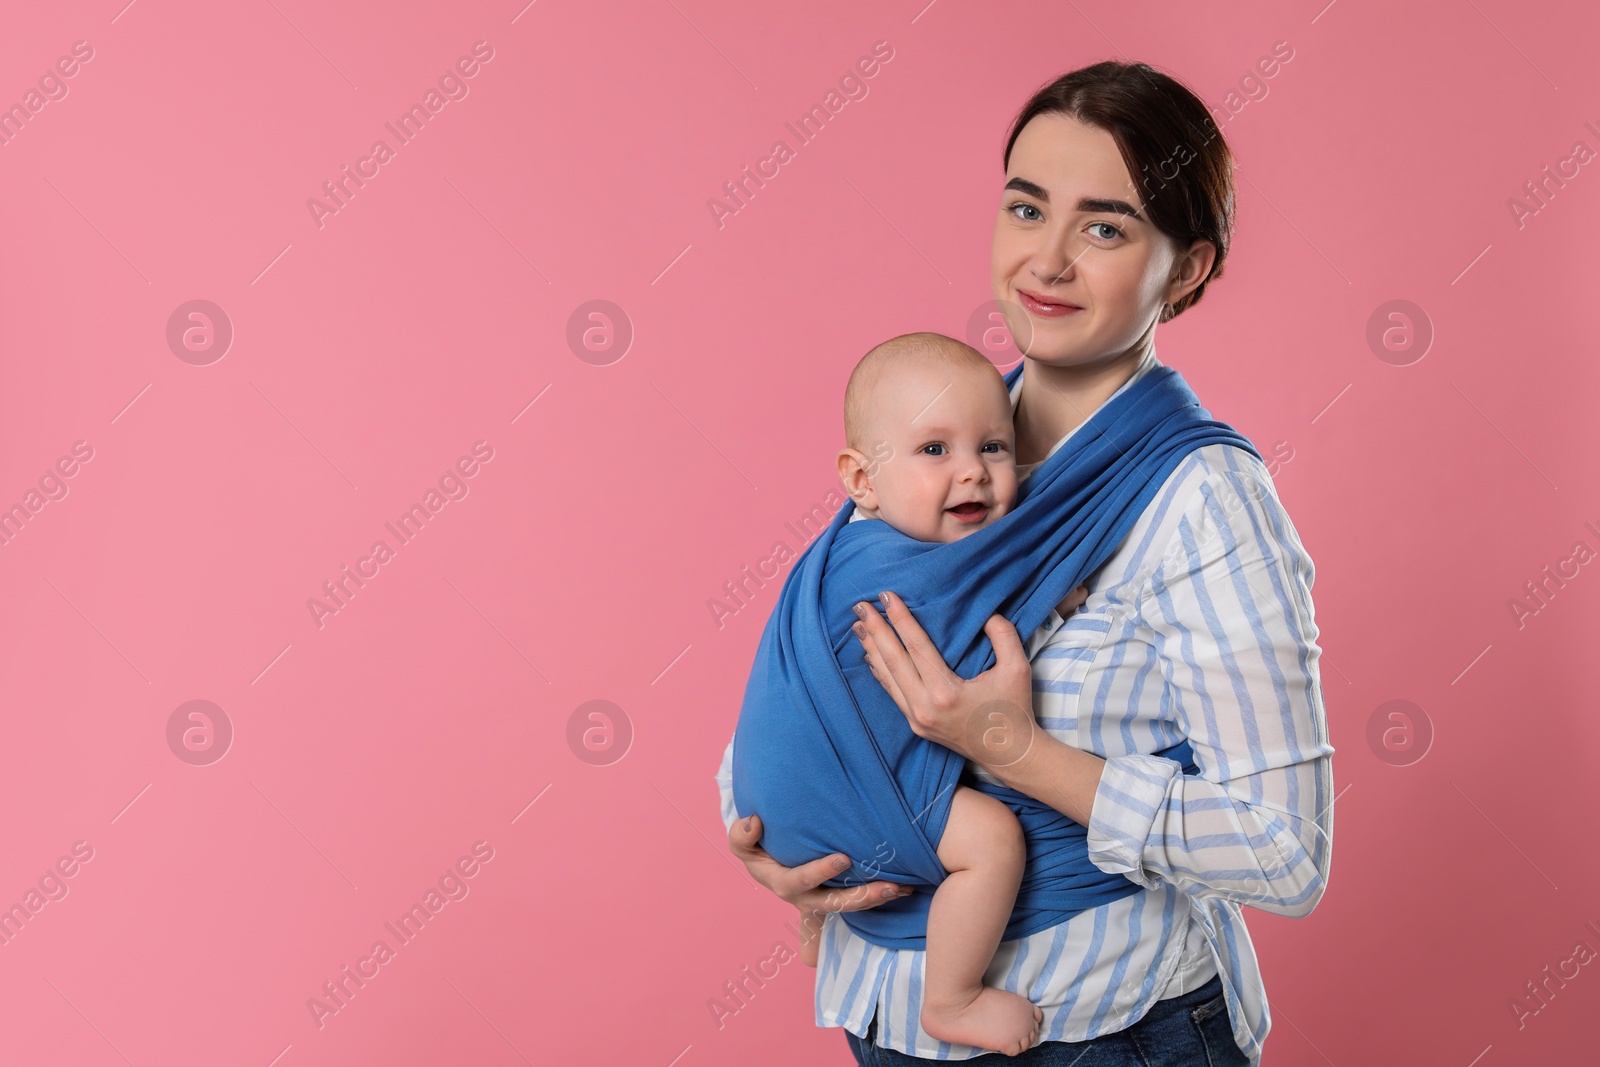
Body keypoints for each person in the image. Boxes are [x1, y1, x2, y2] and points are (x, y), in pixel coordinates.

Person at [715, 59, 1334, 1065]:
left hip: (1107, 1026)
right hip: (887, 1018)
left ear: (1183, 268)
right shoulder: (936, 431)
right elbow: (822, 677)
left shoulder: (1200, 499)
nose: (1045, 262)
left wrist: (1014, 749)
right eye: (1025, 206)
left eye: (1104, 226)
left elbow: (1284, 848)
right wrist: (774, 845)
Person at [737, 331, 1097, 1055]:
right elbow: (991, 619)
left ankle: (820, 923)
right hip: (831, 805)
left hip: (771, 812)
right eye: (935, 450)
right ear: (861, 479)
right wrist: (1055, 599)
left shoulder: (843, 546)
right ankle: (953, 996)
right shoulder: (913, 568)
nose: (973, 473)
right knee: (994, 840)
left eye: (994, 448)